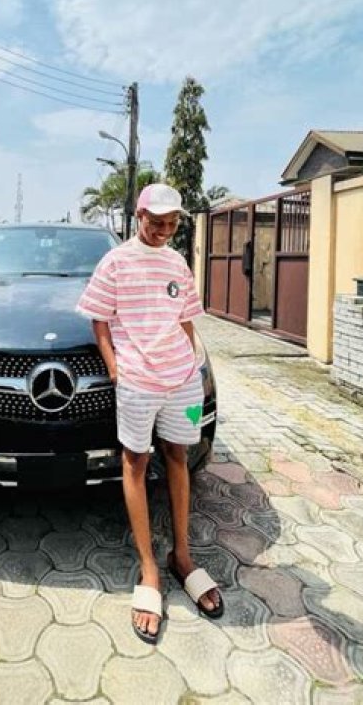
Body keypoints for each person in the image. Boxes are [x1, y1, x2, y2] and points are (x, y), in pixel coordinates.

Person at [76, 182, 222, 645]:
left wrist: (193, 365)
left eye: (172, 223)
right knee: (136, 462)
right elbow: (99, 318)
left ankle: (183, 556)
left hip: (182, 381)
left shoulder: (178, 263)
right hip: (137, 381)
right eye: (156, 222)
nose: (164, 230)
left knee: (179, 457)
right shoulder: (116, 261)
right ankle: (149, 569)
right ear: (139, 215)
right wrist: (115, 369)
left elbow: (186, 319)